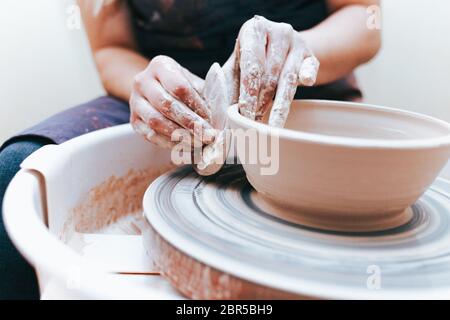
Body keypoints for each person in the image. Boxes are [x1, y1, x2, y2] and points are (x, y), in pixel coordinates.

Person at [0, 0, 380, 299]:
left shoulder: (300, 63)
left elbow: (364, 18)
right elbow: (110, 49)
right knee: (15, 170)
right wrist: (150, 86)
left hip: (301, 85)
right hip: (172, 92)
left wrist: (299, 50)